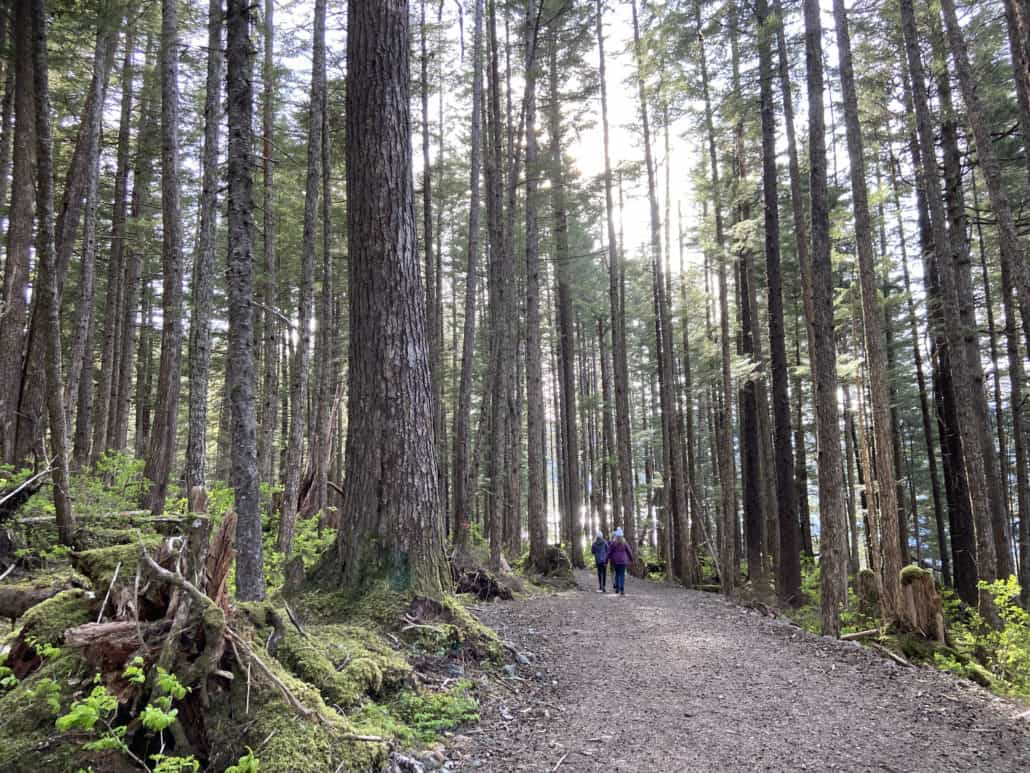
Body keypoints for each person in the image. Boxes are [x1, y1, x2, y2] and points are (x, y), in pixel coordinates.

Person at [606, 527, 633, 596]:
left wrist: (606, 560)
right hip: (623, 561)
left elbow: (609, 552)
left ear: (616, 536)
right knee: (622, 575)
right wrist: (631, 559)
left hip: (616, 561)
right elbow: (629, 551)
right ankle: (622, 589)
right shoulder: (624, 543)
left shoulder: (613, 543)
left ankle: (617, 588)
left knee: (617, 574)